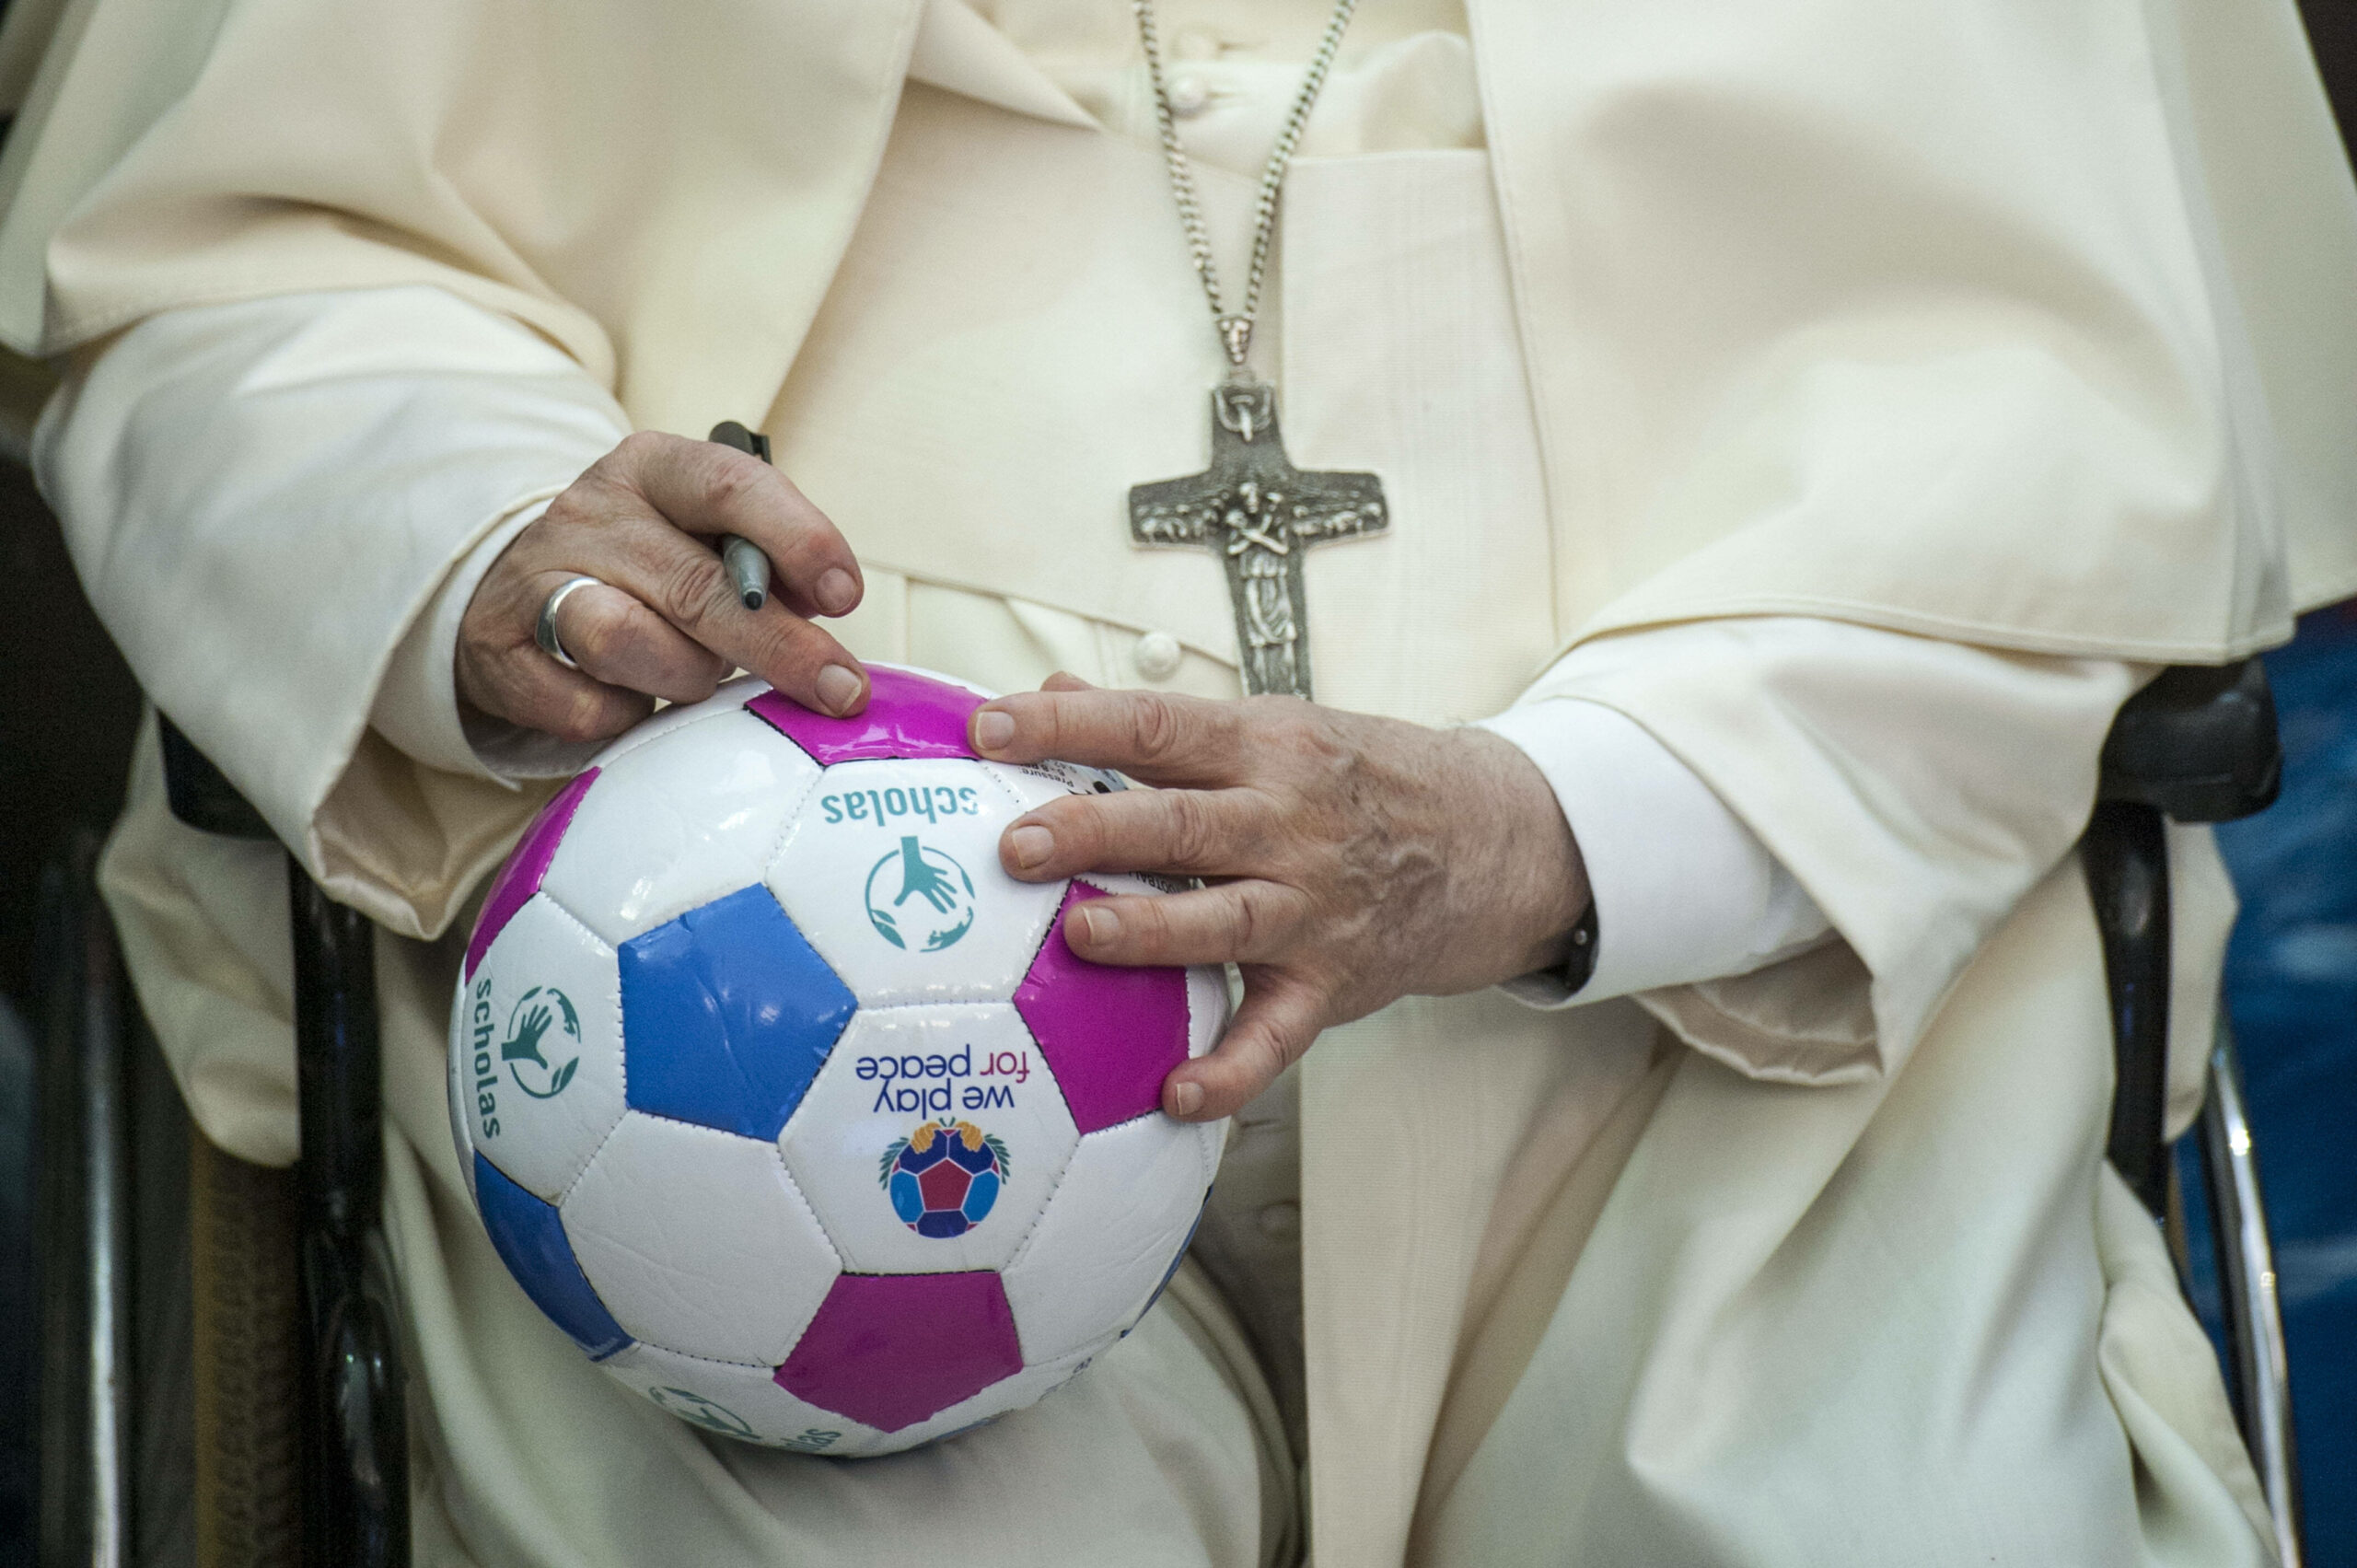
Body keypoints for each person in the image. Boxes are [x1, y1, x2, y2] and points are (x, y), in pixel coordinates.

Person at [6, 0, 2356, 1562]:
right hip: (713, 973)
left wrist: (1557, 840)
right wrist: (487, 546)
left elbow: (2043, 458)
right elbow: (243, 263)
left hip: (1718, 1031)